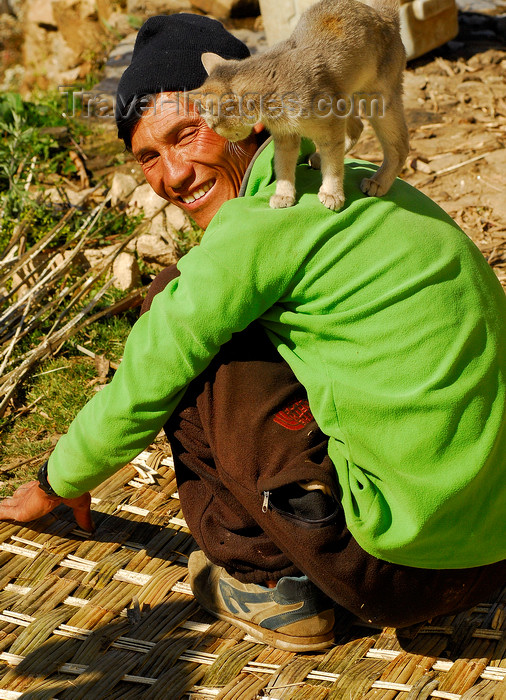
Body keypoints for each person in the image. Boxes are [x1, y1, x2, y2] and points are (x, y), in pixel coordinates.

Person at [0, 13, 505, 652]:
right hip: (495, 544)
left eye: (187, 134)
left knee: (178, 325)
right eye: (148, 157)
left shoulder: (262, 225)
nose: (172, 176)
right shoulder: (371, 192)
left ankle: (270, 580)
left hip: (403, 570)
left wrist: (56, 481)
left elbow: (148, 373)